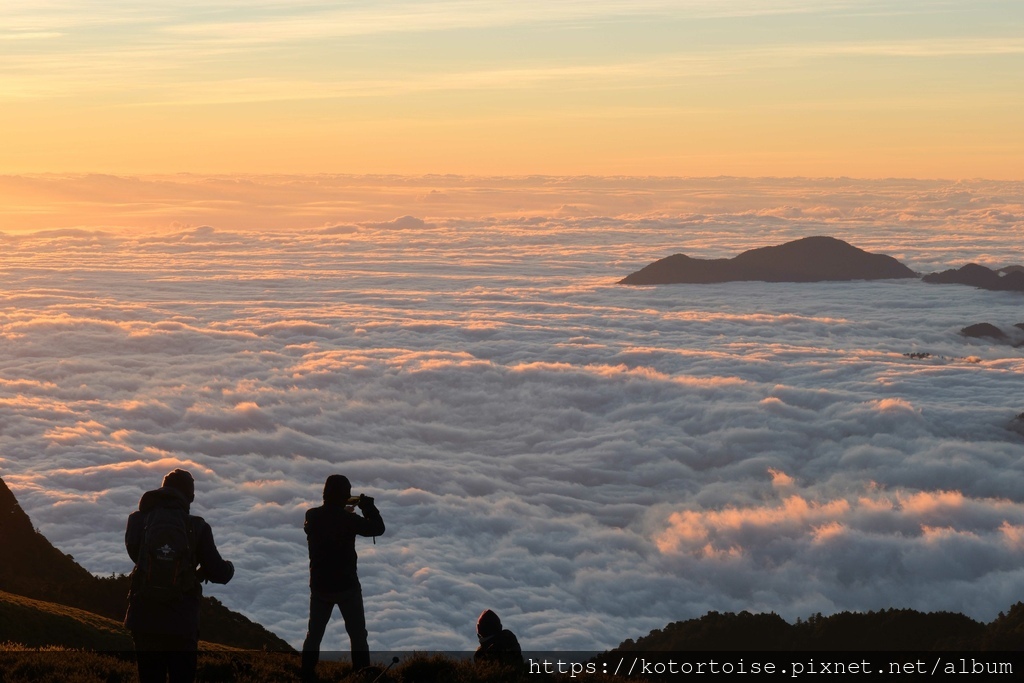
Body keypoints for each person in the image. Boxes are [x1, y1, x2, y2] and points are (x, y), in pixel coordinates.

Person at [124, 468, 234, 683]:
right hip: (181, 622)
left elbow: (136, 555)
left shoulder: (137, 520)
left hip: (144, 618)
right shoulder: (198, 527)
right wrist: (228, 567)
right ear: (190, 497)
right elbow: (220, 573)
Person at [301, 475, 385, 682]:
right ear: (345, 495)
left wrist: (342, 512)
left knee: (314, 634)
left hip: (320, 587)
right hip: (347, 587)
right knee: (357, 636)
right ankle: (362, 674)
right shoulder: (349, 521)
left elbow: (325, 521)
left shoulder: (312, 515)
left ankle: (306, 673)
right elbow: (378, 528)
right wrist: (368, 508)